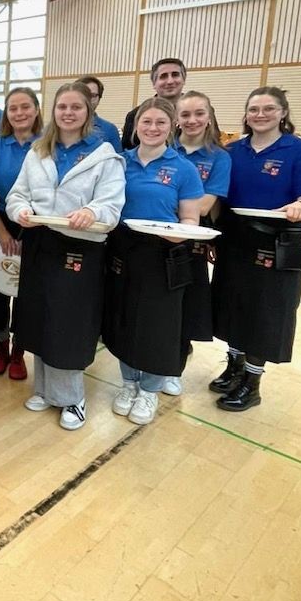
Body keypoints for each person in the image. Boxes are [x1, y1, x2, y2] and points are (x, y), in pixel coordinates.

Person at [5, 82, 125, 429]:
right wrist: (21, 210)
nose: (68, 113)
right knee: (39, 315)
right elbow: (17, 194)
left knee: (68, 323)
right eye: (62, 107)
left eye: (76, 107)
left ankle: (72, 398)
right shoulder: (39, 151)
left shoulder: (104, 155)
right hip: (41, 242)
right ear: (53, 111)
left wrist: (92, 211)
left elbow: (111, 204)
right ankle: (45, 390)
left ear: (88, 112)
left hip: (80, 246)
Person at [210, 86, 301, 412]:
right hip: (235, 238)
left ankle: (252, 382)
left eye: (268, 108)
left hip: (276, 239)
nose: (260, 115)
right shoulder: (232, 151)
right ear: (246, 115)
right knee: (233, 304)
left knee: (265, 312)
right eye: (254, 109)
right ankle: (234, 366)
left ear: (283, 112)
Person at [103, 97, 203, 425]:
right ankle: (129, 383)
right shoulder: (119, 163)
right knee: (124, 320)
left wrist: (180, 234)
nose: (152, 128)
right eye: (146, 121)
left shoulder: (184, 169)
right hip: (123, 251)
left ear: (172, 126)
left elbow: (190, 219)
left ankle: (149, 390)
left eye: (160, 122)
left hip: (164, 254)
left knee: (158, 328)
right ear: (136, 126)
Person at [167, 90, 232, 396]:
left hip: (190, 244)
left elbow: (204, 206)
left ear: (209, 117)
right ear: (176, 119)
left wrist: (161, 204)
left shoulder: (219, 157)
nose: (192, 120)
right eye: (185, 114)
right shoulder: (165, 149)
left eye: (199, 113)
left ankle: (174, 366)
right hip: (154, 239)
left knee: (184, 306)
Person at [0, 87, 42, 380]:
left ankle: (19, 351)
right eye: (13, 108)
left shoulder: (47, 145)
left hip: (35, 225)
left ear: (36, 110)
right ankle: (1, 346)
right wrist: (2, 231)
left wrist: (30, 228)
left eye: (25, 107)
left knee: (27, 290)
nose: (19, 113)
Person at [121, 58, 187, 149]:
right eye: (163, 76)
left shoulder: (199, 114)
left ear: (184, 79)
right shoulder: (135, 115)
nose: (170, 81)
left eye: (175, 75)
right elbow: (128, 149)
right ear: (154, 83)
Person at [76, 75, 122, 152]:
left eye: (93, 95)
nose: (88, 99)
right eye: (84, 94)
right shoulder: (62, 126)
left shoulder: (109, 129)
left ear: (99, 99)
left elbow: (117, 158)